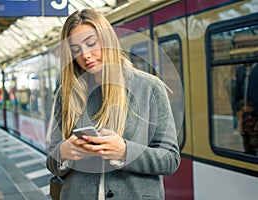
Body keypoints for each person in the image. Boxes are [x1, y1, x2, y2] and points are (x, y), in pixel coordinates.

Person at [46, 9, 180, 200]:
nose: (86, 55)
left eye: (91, 44)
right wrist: (63, 153)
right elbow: (51, 160)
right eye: (76, 50)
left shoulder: (149, 88)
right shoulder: (67, 93)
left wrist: (125, 151)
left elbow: (170, 159)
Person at [235, 62, 258, 155]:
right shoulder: (240, 70)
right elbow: (238, 92)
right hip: (244, 114)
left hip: (256, 114)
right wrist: (238, 113)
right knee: (247, 141)